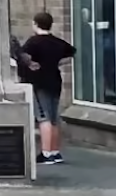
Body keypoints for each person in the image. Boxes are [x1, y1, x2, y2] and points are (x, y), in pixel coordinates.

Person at [20, 12, 76, 165]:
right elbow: (71, 53)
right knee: (54, 117)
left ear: (35, 24)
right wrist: (56, 63)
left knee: (43, 117)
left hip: (40, 82)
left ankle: (46, 153)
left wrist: (32, 65)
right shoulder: (57, 42)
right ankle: (55, 151)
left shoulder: (33, 42)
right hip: (55, 81)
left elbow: (23, 56)